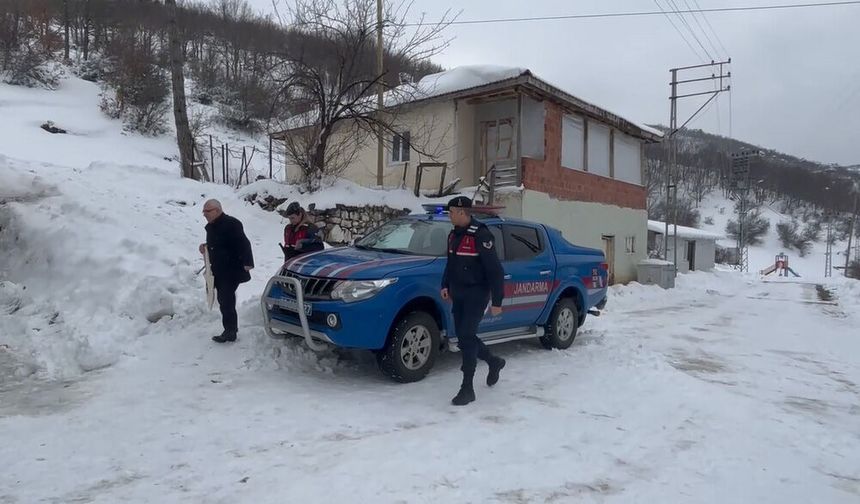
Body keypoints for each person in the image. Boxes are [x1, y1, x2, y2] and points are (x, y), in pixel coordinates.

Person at [441, 196, 506, 406]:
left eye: (451, 212)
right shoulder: (453, 235)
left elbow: (495, 271)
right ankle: (494, 361)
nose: (449, 215)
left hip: (477, 294)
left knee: (467, 336)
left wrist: (497, 301)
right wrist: (445, 285)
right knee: (463, 337)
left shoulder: (481, 235)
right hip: (458, 293)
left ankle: (467, 388)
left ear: (462, 212)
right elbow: (450, 263)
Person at [199, 199, 254, 343]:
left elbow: (244, 243)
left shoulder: (232, 224)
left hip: (232, 269)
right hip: (218, 269)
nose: (204, 214)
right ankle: (231, 328)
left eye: (207, 211)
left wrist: (248, 263)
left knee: (226, 299)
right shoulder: (211, 226)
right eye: (203, 211)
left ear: (217, 210)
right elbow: (218, 243)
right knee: (224, 299)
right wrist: (205, 246)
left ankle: (230, 331)